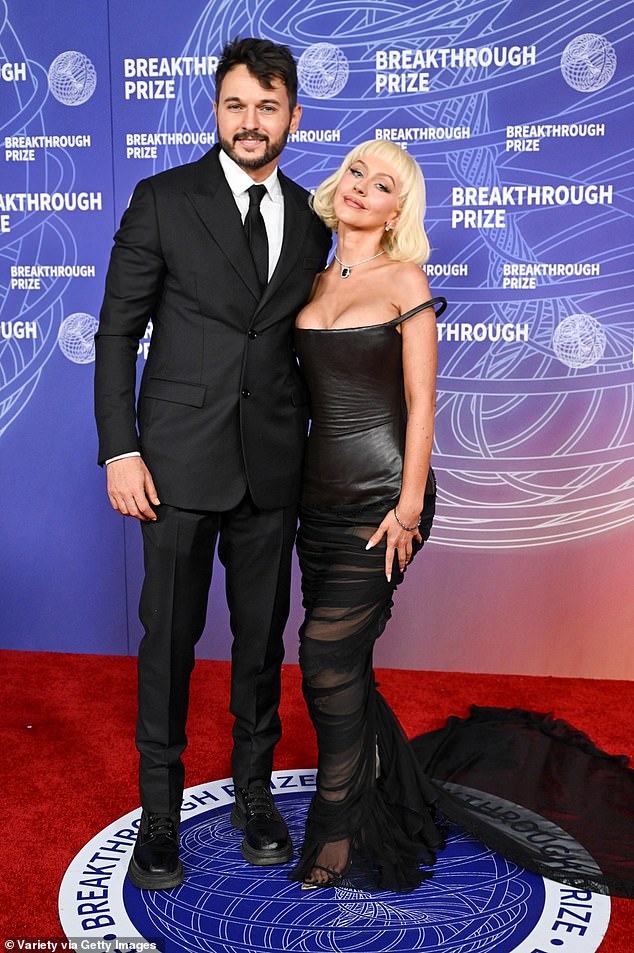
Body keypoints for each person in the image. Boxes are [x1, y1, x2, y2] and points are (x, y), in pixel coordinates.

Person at [94, 37, 331, 890]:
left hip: (273, 469)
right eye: (236, 105)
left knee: (262, 645)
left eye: (268, 107)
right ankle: (160, 814)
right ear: (216, 110)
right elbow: (117, 331)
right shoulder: (162, 200)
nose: (251, 122)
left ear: (292, 117)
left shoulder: (313, 217)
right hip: (174, 467)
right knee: (169, 646)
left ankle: (255, 797)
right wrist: (121, 448)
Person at [288, 139, 448, 891]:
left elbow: (422, 405)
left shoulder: (404, 277)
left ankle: (337, 824)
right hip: (315, 502)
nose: (361, 188)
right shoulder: (309, 278)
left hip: (385, 500)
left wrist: (409, 507)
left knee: (322, 656)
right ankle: (380, 777)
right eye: (357, 171)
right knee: (343, 662)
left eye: (382, 184)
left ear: (394, 211)